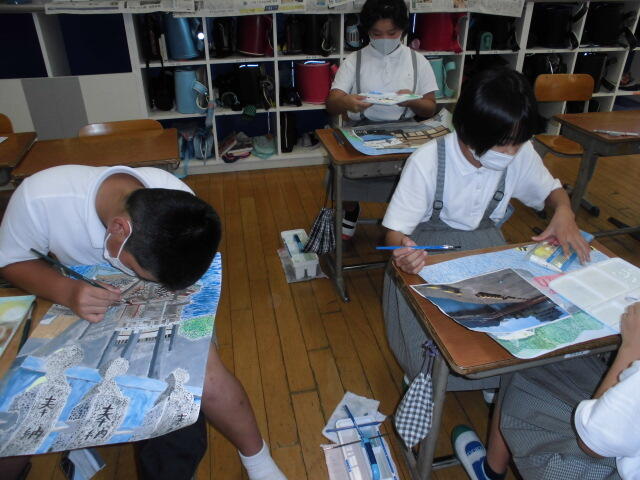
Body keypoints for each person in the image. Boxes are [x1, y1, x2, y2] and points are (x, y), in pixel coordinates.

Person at [0, 165, 286, 480]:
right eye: (140, 272)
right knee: (26, 395)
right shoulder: (40, 198)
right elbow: (10, 260)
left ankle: (257, 460)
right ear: (119, 229)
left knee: (199, 375)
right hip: (73, 297)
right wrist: (66, 291)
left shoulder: (179, 203)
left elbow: (184, 276)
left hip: (159, 301)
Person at [382, 67, 591, 393]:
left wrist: (564, 211)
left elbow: (551, 190)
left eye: (517, 143)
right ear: (469, 128)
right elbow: (394, 235)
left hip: (486, 246)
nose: (510, 153)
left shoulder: (519, 153)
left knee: (514, 322)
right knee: (434, 337)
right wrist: (403, 251)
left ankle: (496, 375)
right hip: (428, 251)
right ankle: (427, 373)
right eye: (503, 144)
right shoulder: (428, 161)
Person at [453, 301, 640, 480]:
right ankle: (498, 396)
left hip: (603, 463)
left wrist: (630, 349)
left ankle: (491, 470)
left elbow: (595, 441)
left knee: (529, 353)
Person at [325, 0, 438, 240]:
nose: (385, 39)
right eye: (377, 34)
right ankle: (350, 209)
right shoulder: (354, 60)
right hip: (362, 128)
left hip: (406, 130)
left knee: (427, 170)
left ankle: (406, 217)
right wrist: (347, 102)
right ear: (367, 31)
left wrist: (412, 101)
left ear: (403, 30)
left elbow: (430, 108)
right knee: (341, 169)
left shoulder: (418, 62)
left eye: (392, 33)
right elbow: (332, 103)